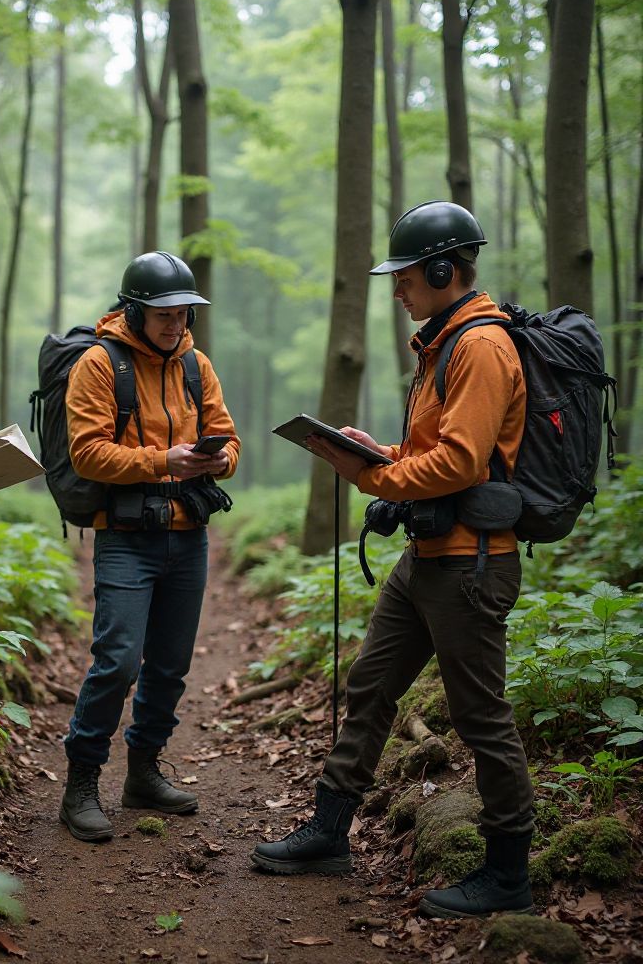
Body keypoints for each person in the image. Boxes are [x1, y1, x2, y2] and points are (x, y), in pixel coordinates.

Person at [251, 201, 535, 920]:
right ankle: (328, 833)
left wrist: (368, 474)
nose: (398, 290)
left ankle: (508, 874)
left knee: (481, 719)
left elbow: (465, 462)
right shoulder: (443, 343)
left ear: (445, 270)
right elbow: (434, 454)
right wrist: (381, 454)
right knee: (370, 683)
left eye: (405, 276)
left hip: (471, 565)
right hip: (429, 557)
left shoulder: (479, 347)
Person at [60, 251, 240, 842]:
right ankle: (82, 782)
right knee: (117, 660)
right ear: (134, 310)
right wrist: (164, 460)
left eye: (185, 312)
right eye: (164, 312)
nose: (177, 323)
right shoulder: (98, 364)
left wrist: (219, 457)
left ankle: (143, 772)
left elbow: (230, 440)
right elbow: (88, 453)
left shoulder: (196, 365)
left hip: (188, 535)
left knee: (170, 665)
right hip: (126, 539)